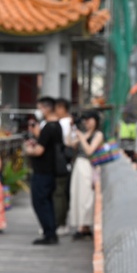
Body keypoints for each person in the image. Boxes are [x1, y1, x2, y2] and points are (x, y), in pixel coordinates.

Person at [23, 96, 62, 245]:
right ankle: (51, 232)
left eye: (39, 108)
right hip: (51, 170)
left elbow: (39, 151)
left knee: (40, 202)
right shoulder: (56, 126)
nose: (39, 111)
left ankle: (49, 233)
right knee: (48, 201)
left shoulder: (48, 127)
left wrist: (28, 150)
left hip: (43, 171)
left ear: (46, 108)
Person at [68, 111, 105, 240]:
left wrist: (82, 138)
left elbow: (90, 151)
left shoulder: (98, 134)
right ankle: (81, 226)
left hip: (89, 167)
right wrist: (72, 128)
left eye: (90, 119)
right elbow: (69, 143)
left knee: (87, 197)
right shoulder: (83, 133)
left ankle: (86, 226)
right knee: (77, 195)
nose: (87, 122)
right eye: (85, 120)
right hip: (78, 166)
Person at [54, 98, 74, 233]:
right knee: (63, 193)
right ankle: (61, 222)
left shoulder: (63, 123)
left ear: (62, 108)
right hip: (68, 162)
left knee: (59, 193)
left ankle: (59, 223)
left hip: (61, 162)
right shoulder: (70, 122)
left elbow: (66, 142)